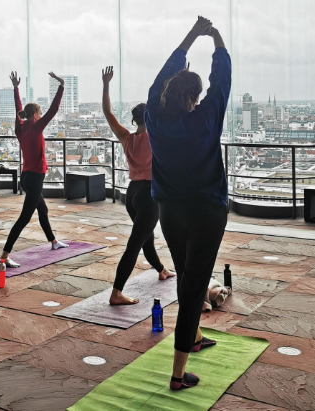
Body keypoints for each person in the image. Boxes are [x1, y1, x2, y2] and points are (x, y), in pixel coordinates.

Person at [145, 17, 231, 390]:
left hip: (170, 211)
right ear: (194, 98)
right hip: (207, 211)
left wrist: (191, 37)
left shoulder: (153, 116)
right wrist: (216, 39)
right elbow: (222, 81)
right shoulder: (205, 119)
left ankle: (194, 336)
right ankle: (179, 375)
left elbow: (163, 75)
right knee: (194, 287)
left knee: (187, 276)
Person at [101, 66, 174, 305]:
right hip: (150, 195)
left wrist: (106, 84)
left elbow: (108, 113)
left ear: (133, 120)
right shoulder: (155, 137)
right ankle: (117, 292)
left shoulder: (127, 137)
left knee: (146, 238)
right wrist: (174, 80)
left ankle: (161, 269)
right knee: (135, 244)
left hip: (131, 194)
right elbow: (167, 108)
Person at [0, 71, 69, 268]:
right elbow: (54, 110)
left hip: (27, 176)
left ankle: (54, 242)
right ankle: (4, 256)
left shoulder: (20, 128)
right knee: (24, 218)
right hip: (36, 177)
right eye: (39, 113)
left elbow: (18, 109)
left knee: (43, 210)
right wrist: (61, 86)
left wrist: (16, 88)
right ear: (36, 115)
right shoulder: (36, 127)